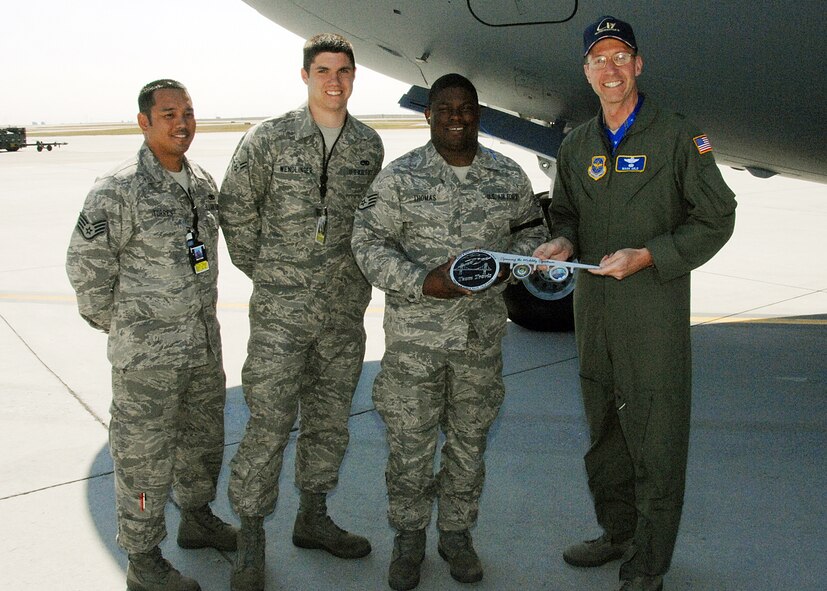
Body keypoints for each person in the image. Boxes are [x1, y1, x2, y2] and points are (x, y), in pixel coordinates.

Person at [533, 16, 737, 591]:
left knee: (657, 437)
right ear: (587, 71)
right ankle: (615, 531)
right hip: (594, 314)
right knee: (604, 432)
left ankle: (648, 562)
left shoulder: (676, 137)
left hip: (653, 315)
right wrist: (562, 239)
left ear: (638, 64)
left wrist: (650, 255)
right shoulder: (577, 145)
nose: (611, 68)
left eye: (620, 56)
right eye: (599, 59)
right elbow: (567, 213)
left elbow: (717, 217)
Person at [352, 73, 548, 591]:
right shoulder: (400, 179)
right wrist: (422, 281)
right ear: (429, 115)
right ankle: (409, 538)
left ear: (478, 114)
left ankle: (456, 535)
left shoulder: (508, 175)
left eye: (465, 108)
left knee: (469, 443)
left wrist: (517, 265)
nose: (456, 117)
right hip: (416, 344)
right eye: (445, 109)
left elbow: (533, 230)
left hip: (480, 342)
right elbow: (367, 243)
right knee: (410, 447)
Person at [218, 33, 384, 591]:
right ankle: (250, 537)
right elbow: (235, 210)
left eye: (343, 71)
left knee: (329, 421)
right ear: (305, 76)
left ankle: (312, 517)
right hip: (281, 315)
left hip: (343, 313)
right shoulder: (269, 138)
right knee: (267, 422)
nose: (333, 81)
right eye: (323, 71)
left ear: (353, 77)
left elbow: (370, 225)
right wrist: (269, 274)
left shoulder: (368, 146)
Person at [66, 79, 237, 591]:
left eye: (187, 112)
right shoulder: (117, 189)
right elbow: (85, 270)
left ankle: (197, 519)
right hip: (147, 362)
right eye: (167, 114)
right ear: (144, 122)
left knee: (204, 444)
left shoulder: (201, 181)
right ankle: (142, 559)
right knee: (143, 462)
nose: (181, 122)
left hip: (203, 349)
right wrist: (126, 329)